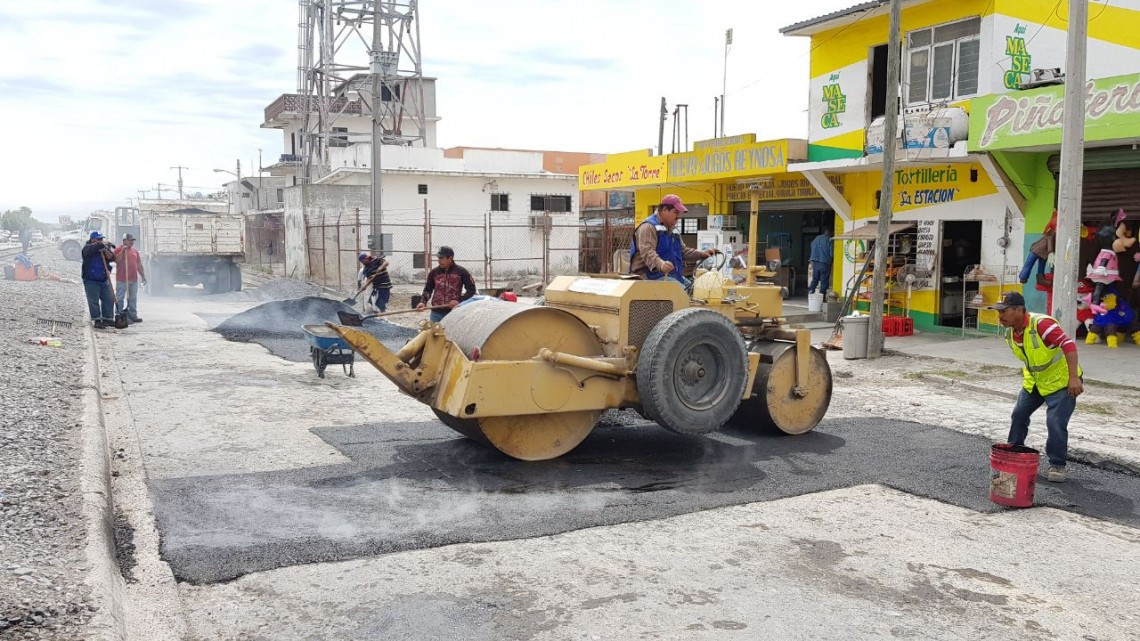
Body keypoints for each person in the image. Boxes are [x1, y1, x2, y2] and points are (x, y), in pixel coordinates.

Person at [991, 291, 1083, 483]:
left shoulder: (1042, 324)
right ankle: (1014, 452)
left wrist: (1074, 378)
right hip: (1035, 382)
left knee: (1055, 422)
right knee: (1019, 415)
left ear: (1019, 310)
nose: (1000, 316)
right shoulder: (1010, 332)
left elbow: (1068, 345)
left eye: (1004, 311)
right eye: (998, 312)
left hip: (1060, 382)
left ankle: (1057, 464)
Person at [628, 194, 718, 289]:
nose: (678, 216)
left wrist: (701, 254)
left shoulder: (673, 230)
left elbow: (683, 251)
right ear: (664, 210)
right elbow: (647, 252)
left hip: (671, 275)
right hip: (649, 276)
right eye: (676, 212)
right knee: (682, 292)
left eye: (679, 213)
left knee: (696, 289)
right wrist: (661, 264)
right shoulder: (648, 227)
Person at [417, 246, 477, 322]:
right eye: (438, 258)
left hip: (454, 312)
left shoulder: (461, 272)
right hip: (436, 313)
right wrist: (423, 302)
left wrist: (459, 301)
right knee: (435, 330)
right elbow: (428, 289)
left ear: (450, 258)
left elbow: (471, 290)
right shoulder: (434, 273)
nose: (439, 261)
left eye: (442, 258)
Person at [81, 231, 117, 329]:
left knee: (109, 298)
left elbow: (112, 258)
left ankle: (108, 318)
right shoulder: (87, 248)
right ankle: (97, 320)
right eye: (99, 239)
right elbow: (91, 248)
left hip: (104, 278)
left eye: (101, 239)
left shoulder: (103, 248)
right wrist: (102, 244)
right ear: (92, 239)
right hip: (91, 280)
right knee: (93, 301)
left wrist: (105, 250)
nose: (101, 241)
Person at [114, 234, 147, 323]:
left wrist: (143, 276)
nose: (132, 242)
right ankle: (119, 315)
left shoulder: (134, 251)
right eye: (130, 240)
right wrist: (122, 251)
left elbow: (139, 265)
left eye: (132, 240)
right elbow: (116, 260)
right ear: (124, 240)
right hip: (122, 279)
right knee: (120, 298)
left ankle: (133, 315)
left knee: (133, 298)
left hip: (133, 279)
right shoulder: (118, 249)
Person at [808, 228, 833, 295]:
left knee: (815, 279)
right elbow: (831, 253)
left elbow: (811, 246)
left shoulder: (816, 238)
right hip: (825, 262)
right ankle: (822, 294)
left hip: (815, 262)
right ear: (830, 232)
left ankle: (811, 291)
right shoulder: (829, 240)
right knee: (824, 280)